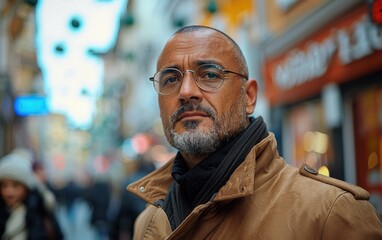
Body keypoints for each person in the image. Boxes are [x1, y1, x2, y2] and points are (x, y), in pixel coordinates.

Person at [127, 25, 382, 239]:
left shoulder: (329, 213)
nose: (186, 91)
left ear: (248, 97)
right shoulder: (148, 223)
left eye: (210, 74)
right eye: (171, 79)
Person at [0, 149, 63, 240]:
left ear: (26, 187)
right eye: (4, 186)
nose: (9, 191)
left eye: (15, 186)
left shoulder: (40, 209)